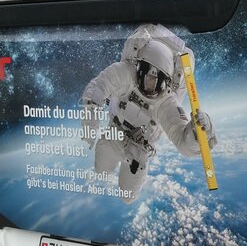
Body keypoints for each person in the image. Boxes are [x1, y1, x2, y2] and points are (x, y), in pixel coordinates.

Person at [81, 30, 216, 204]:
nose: (150, 84)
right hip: (113, 136)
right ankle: (104, 170)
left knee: (128, 197)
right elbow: (97, 89)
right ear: (138, 67)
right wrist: (90, 124)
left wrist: (198, 133)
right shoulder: (125, 73)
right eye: (146, 74)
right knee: (101, 171)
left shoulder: (167, 102)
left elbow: (183, 143)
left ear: (166, 82)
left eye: (157, 80)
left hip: (137, 152)